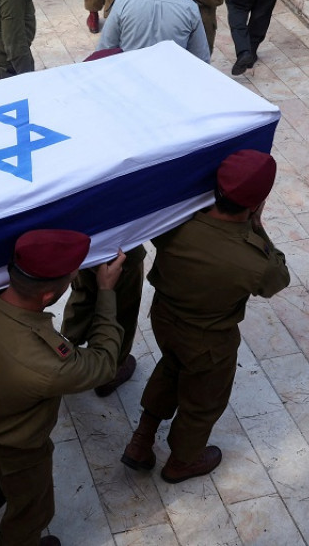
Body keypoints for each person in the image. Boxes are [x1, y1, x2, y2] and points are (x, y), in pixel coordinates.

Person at [0, 231, 126, 546]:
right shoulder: (48, 362)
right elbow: (105, 362)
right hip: (19, 449)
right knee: (31, 510)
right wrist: (106, 291)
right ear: (49, 296)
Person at [120, 149, 289, 483]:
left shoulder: (177, 221)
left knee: (171, 367)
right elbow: (277, 281)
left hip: (164, 320)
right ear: (257, 203)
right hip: (208, 340)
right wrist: (259, 230)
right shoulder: (255, 260)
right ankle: (182, 462)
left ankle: (141, 440)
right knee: (203, 402)